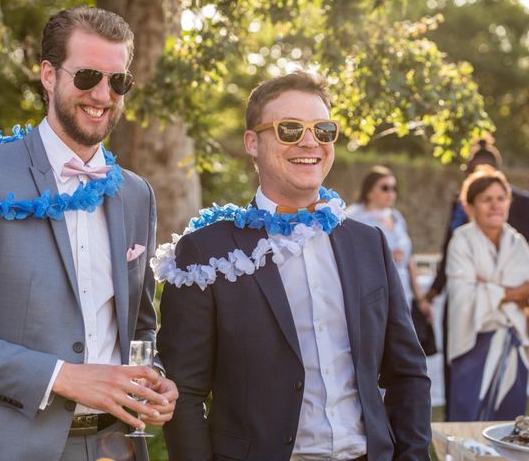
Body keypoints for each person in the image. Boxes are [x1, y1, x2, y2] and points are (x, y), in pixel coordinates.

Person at [0, 6, 177, 461]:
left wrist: (152, 376)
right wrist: (61, 376)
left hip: (114, 449)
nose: (103, 94)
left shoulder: (137, 195)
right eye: (88, 76)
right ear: (49, 75)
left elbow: (140, 326)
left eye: (118, 81)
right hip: (4, 446)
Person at [155, 71, 431, 461]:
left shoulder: (369, 244)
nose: (309, 142)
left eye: (323, 129)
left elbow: (407, 373)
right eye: (289, 129)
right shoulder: (204, 253)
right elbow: (184, 393)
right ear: (252, 142)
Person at [424, 137, 529, 414]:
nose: (495, 205)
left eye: (500, 199)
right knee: (469, 420)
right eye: (486, 200)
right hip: (472, 342)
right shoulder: (462, 240)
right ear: (470, 207)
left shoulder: (518, 242)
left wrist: (489, 287)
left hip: (514, 341)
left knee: (507, 427)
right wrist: (510, 293)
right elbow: (463, 296)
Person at [347, 166, 436, 355]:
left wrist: (420, 299)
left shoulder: (397, 217)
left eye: (394, 188)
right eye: (385, 188)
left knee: (402, 350)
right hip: (372, 295)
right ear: (370, 191)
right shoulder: (354, 218)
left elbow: (408, 259)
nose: (391, 193)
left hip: (402, 292)